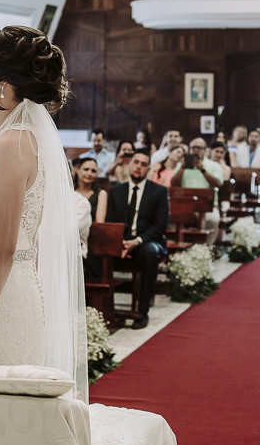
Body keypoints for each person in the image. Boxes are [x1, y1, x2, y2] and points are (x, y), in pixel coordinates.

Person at [0, 26, 88, 403]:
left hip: (1, 304)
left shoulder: (12, 143)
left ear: (3, 85)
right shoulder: (10, 137)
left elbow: (5, 247)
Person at [104, 151, 170, 329]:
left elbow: (160, 226)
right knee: (99, 253)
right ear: (130, 164)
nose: (139, 167)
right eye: (136, 162)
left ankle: (142, 312)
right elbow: (110, 222)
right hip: (121, 241)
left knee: (150, 254)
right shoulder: (117, 191)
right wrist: (119, 242)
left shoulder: (159, 192)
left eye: (143, 164)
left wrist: (137, 241)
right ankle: (105, 310)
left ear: (148, 168)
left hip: (146, 241)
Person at [172, 137, 223, 244]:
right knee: (170, 218)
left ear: (205, 150)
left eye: (199, 148)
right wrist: (182, 167)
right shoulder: (181, 165)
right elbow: (174, 184)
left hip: (207, 206)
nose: (196, 150)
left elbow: (218, 184)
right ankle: (179, 246)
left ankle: (206, 248)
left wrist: (202, 169)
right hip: (185, 205)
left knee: (212, 220)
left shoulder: (213, 165)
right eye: (193, 147)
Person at [75, 157, 109, 224]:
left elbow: (100, 223)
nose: (89, 173)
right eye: (86, 169)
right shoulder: (70, 191)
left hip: (92, 232)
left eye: (93, 171)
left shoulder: (101, 194)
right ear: (78, 171)